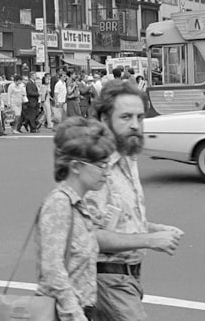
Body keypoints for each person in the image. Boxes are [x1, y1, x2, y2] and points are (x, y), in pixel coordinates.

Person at [88, 81, 184, 320]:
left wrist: (153, 228)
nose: (135, 125)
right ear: (103, 118)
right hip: (106, 281)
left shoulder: (127, 156)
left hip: (127, 279)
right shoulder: (95, 166)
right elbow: (88, 235)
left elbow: (119, 218)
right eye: (126, 117)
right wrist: (150, 240)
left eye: (140, 117)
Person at [37, 116, 114, 321]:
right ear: (76, 166)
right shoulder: (59, 204)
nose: (107, 172)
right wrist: (76, 315)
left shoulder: (80, 204)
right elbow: (53, 270)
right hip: (65, 314)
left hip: (83, 309)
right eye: (101, 165)